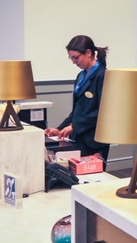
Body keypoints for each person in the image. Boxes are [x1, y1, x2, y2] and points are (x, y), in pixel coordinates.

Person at [45, 35, 110, 164]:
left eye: (76, 57)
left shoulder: (103, 75)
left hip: (94, 140)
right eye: (71, 58)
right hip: (78, 137)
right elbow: (77, 110)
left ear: (88, 53)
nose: (74, 62)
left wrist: (74, 126)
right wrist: (60, 129)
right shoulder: (81, 76)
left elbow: (102, 111)